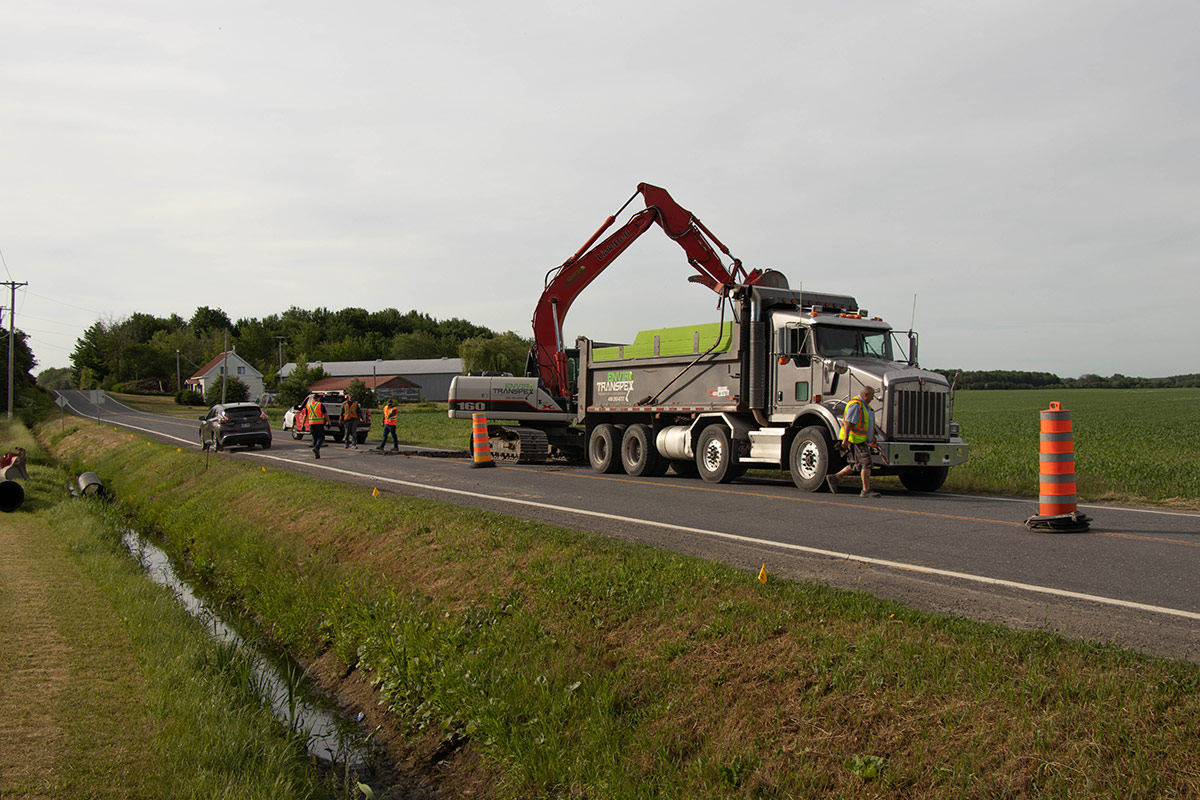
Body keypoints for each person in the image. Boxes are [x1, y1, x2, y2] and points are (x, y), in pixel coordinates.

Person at [827, 386, 881, 497]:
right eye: (871, 396)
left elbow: (866, 423)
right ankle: (866, 490)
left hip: (860, 439)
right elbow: (847, 423)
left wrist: (872, 437)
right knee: (867, 463)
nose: (872, 399)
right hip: (855, 440)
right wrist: (845, 440)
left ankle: (835, 477)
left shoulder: (865, 406)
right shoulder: (856, 405)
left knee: (856, 464)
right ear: (865, 395)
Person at [305, 393, 327, 459]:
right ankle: (316, 448)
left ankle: (316, 454)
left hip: (311, 424)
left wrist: (303, 424)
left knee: (314, 438)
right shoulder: (320, 405)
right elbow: (325, 414)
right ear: (318, 398)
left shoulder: (308, 405)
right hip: (319, 424)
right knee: (321, 437)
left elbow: (306, 416)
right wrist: (328, 421)